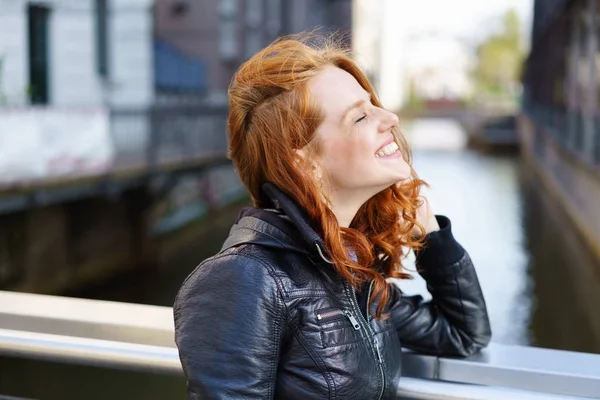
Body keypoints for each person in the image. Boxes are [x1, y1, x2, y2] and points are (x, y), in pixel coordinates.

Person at [173, 34, 491, 400]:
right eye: (360, 116)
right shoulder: (245, 278)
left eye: (373, 105)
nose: (390, 117)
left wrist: (430, 233)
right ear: (304, 160)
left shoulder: (351, 270)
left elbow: (464, 333)